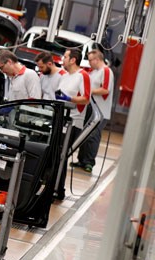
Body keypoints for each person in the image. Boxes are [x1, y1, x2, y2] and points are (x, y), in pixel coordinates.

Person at [54, 48, 91, 200]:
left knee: (62, 156)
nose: (63, 59)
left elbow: (86, 98)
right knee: (56, 155)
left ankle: (58, 189)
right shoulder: (64, 76)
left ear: (73, 60)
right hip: (59, 119)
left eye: (65, 56)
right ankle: (53, 186)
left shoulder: (82, 76)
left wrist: (70, 99)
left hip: (73, 122)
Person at [71, 50, 114, 173]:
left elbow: (105, 90)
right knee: (85, 134)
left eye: (90, 60)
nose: (89, 63)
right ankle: (81, 159)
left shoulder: (106, 71)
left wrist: (89, 91)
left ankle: (89, 162)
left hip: (101, 111)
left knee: (93, 136)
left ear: (97, 59)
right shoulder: (94, 72)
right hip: (91, 109)